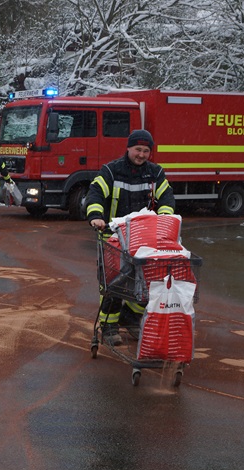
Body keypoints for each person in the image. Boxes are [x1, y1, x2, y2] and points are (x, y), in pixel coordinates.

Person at [85, 129, 176, 345]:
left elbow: (167, 198)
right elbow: (95, 193)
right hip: (113, 238)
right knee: (114, 284)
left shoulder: (155, 173)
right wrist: (96, 216)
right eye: (138, 149)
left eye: (146, 151)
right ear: (128, 148)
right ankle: (108, 325)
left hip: (143, 238)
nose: (142, 155)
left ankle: (131, 315)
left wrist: (165, 218)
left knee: (146, 283)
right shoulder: (111, 171)